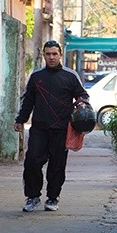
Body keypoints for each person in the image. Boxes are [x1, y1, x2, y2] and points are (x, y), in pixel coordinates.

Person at [14, 40, 89, 212]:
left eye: (54, 54)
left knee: (57, 166)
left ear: (60, 55)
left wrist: (81, 106)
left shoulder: (70, 76)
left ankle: (53, 198)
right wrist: (20, 120)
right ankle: (32, 197)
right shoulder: (36, 76)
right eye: (48, 54)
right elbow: (29, 101)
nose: (51, 57)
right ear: (44, 55)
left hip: (62, 130)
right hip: (39, 129)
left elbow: (83, 96)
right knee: (32, 161)